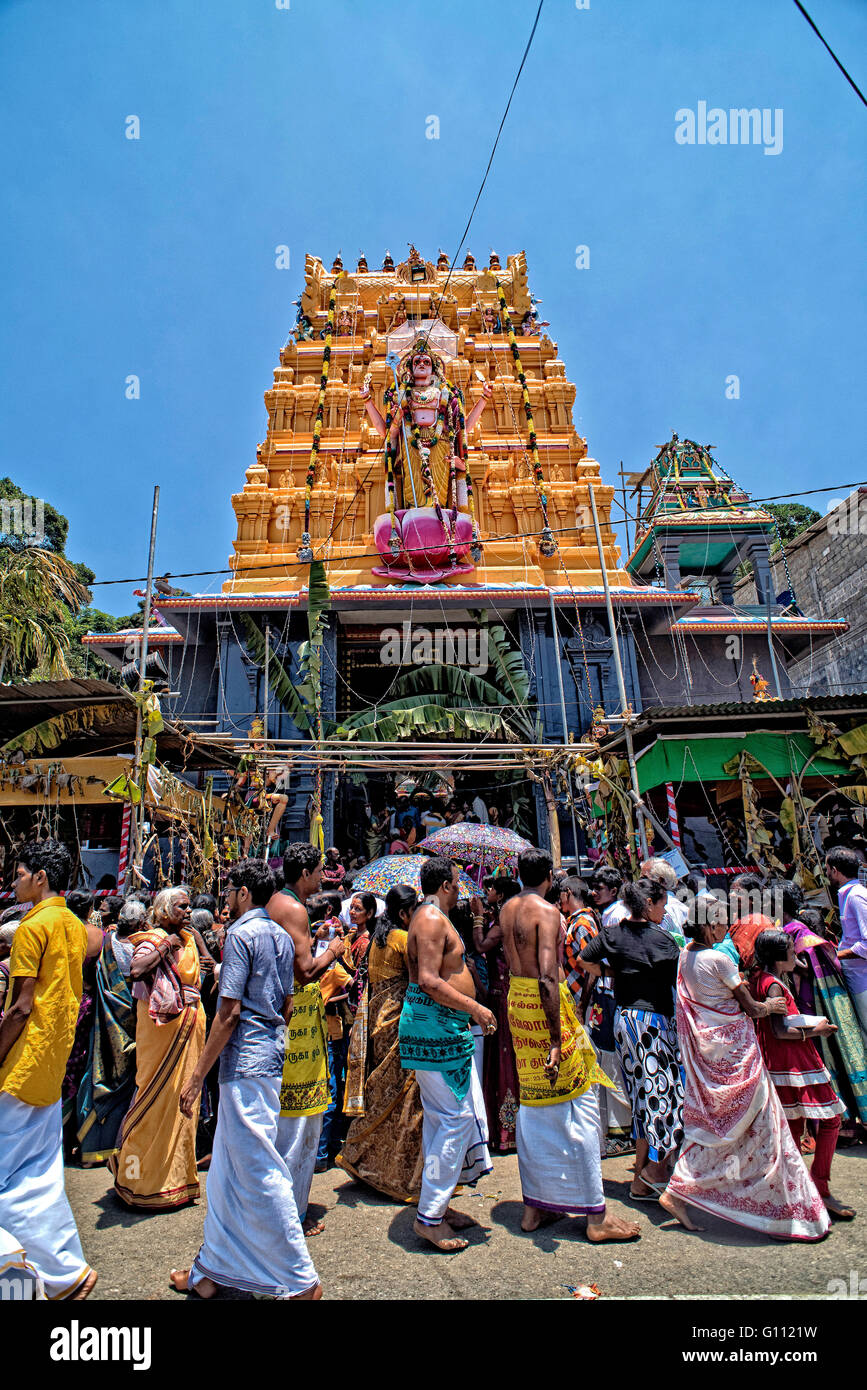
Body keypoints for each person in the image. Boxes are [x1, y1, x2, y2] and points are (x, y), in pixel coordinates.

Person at [170, 859, 321, 1301]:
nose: (226, 897)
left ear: (242, 893)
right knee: (226, 1173)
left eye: (230, 890)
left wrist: (198, 1075)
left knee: (259, 1170)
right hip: (267, 1056)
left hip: (246, 1064)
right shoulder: (277, 933)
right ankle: (212, 1270)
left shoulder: (240, 934)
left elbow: (229, 1011)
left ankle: (300, 1278)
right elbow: (288, 1001)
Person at [659, 911, 831, 1241]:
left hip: (712, 1057)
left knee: (718, 1130)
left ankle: (679, 1191)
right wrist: (775, 1008)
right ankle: (783, 1213)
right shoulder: (718, 960)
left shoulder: (685, 956)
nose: (729, 928)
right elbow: (753, 1008)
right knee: (767, 1131)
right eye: (723, 922)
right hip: (736, 1057)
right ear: (709, 925)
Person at [500, 849, 640, 1242]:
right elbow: (548, 976)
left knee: (535, 1106)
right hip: (546, 1009)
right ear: (548, 875)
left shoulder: (507, 908)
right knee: (578, 1108)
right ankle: (596, 1217)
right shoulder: (546, 913)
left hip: (518, 1003)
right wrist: (557, 1040)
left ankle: (535, 1208)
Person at [0, 839, 101, 1298]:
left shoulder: (32, 926)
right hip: (53, 1059)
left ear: (40, 877)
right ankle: (64, 1271)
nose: (14, 880)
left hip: (21, 1062)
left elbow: (19, 1008)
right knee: (39, 1172)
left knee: (11, 1176)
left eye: (19, 873)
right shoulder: (74, 925)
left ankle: (35, 1278)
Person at [399, 856, 494, 1252]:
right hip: (437, 1028)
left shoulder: (430, 917)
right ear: (445, 885)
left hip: (438, 1027)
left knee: (442, 1121)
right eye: (457, 882)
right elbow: (428, 980)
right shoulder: (433, 920)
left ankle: (439, 1202)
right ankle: (431, 1216)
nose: (461, 888)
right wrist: (475, 1008)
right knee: (454, 1119)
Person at [579, 879, 683, 1201]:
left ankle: (643, 1175)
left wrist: (612, 974)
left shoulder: (613, 934)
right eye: (662, 904)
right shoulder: (664, 940)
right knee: (662, 1098)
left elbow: (584, 959)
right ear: (649, 904)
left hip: (624, 1021)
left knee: (642, 1097)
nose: (664, 910)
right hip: (654, 1024)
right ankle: (651, 1174)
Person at [267, 843, 347, 1236]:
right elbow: (305, 971)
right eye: (318, 873)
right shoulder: (294, 909)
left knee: (287, 1121)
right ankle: (291, 1214)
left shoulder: (277, 903)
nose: (322, 879)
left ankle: (283, 1208)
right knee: (300, 1124)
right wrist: (331, 950)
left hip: (284, 1016)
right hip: (298, 1016)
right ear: (304, 874)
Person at [109, 887, 206, 1210]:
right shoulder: (151, 939)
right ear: (163, 911)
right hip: (160, 1031)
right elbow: (137, 970)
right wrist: (167, 945)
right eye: (181, 907)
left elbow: (204, 964)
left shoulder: (189, 937)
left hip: (191, 1024)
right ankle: (137, 1180)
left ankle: (177, 1182)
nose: (188, 912)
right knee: (153, 1099)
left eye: (190, 906)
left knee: (184, 1102)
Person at [750, 928, 853, 1221]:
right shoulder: (773, 985)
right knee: (831, 1119)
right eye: (792, 952)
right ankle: (818, 1189)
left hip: (781, 1065)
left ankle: (798, 1195)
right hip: (794, 1063)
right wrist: (817, 1030)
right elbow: (781, 1031)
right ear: (780, 956)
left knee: (794, 1129)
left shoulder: (762, 978)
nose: (796, 955)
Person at [337, 885, 426, 1201]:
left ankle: (363, 1157)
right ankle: (396, 1172)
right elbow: (418, 983)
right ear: (404, 913)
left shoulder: (377, 939)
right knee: (403, 1097)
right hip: (400, 1018)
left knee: (380, 1088)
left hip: (376, 1016)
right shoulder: (403, 940)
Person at [779, 892, 867, 1129]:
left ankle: (840, 1124)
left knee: (825, 1058)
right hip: (811, 1002)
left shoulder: (798, 933)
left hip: (812, 1002)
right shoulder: (794, 929)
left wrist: (790, 962)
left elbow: (808, 967)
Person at [560, 877, 633, 1158]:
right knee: (600, 1060)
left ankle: (621, 1130)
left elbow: (594, 965)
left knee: (607, 1060)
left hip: (595, 999)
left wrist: (583, 1003)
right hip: (590, 999)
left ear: (569, 894)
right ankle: (611, 1129)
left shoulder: (582, 924)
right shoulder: (582, 921)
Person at [76, 899, 144, 1166]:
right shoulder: (144, 948)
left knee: (98, 1077)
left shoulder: (105, 944)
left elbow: (89, 978)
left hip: (104, 1022)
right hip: (135, 1024)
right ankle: (119, 1147)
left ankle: (91, 1149)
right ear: (140, 923)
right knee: (128, 1082)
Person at [475, 875, 522, 1152]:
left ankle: (507, 1129)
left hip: (502, 992)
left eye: (491, 888)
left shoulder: (504, 919)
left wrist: (478, 918)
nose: (487, 891)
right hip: (502, 991)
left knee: (504, 1058)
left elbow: (481, 945)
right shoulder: (509, 915)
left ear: (500, 893)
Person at [825, 846, 867, 1040]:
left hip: (862, 980)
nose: (826, 874)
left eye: (827, 869)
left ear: (835, 870)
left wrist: (835, 955)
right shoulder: (848, 894)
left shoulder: (856, 896)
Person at [728, 872, 774, 968]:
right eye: (731, 891)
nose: (731, 895)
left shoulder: (761, 923)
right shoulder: (738, 920)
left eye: (738, 892)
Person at [640, 857, 688, 947]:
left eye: (644, 878)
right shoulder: (681, 907)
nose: (640, 883)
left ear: (661, 881)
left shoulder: (662, 909)